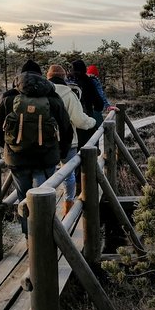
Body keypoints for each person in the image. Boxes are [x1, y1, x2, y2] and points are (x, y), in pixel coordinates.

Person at [0, 59, 73, 237]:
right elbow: (66, 128)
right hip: (46, 157)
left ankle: (30, 238)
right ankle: (45, 237)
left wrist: (9, 148)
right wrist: (61, 152)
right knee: (45, 197)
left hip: (18, 158)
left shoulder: (8, 96)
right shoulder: (51, 96)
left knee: (23, 199)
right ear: (41, 76)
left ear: (20, 76)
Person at [46, 64, 96, 215]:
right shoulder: (69, 93)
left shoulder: (42, 92)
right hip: (69, 141)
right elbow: (79, 120)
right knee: (69, 173)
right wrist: (92, 122)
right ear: (63, 77)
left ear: (48, 77)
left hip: (46, 141)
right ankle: (68, 204)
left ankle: (46, 207)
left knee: (48, 174)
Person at [69, 59, 104, 147]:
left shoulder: (69, 84)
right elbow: (99, 104)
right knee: (89, 146)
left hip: (72, 122)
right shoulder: (89, 83)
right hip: (87, 118)